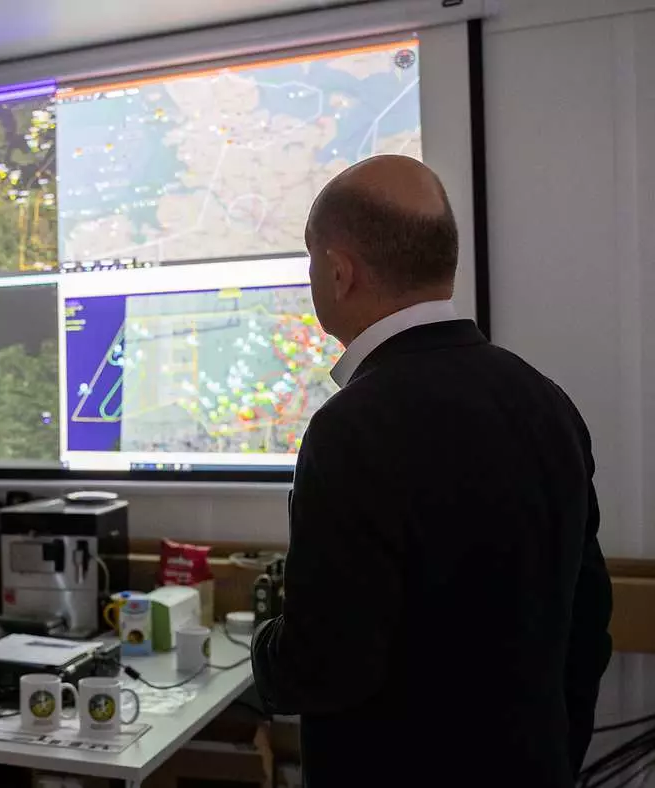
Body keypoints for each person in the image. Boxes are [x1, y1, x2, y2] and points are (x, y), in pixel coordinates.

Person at [250, 155, 612, 787]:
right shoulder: (547, 402)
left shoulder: (351, 429)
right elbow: (586, 624)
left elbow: (324, 667)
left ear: (339, 272)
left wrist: (263, 647)